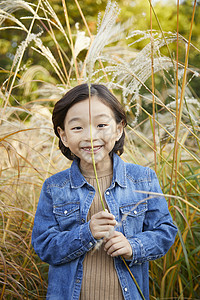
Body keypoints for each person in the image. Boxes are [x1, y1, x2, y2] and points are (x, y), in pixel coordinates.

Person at [32, 83, 177, 300]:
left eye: (101, 125)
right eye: (77, 128)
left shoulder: (143, 179)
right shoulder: (55, 187)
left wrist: (132, 246)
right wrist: (86, 233)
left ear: (119, 128)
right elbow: (44, 245)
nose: (91, 136)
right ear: (63, 135)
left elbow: (165, 232)